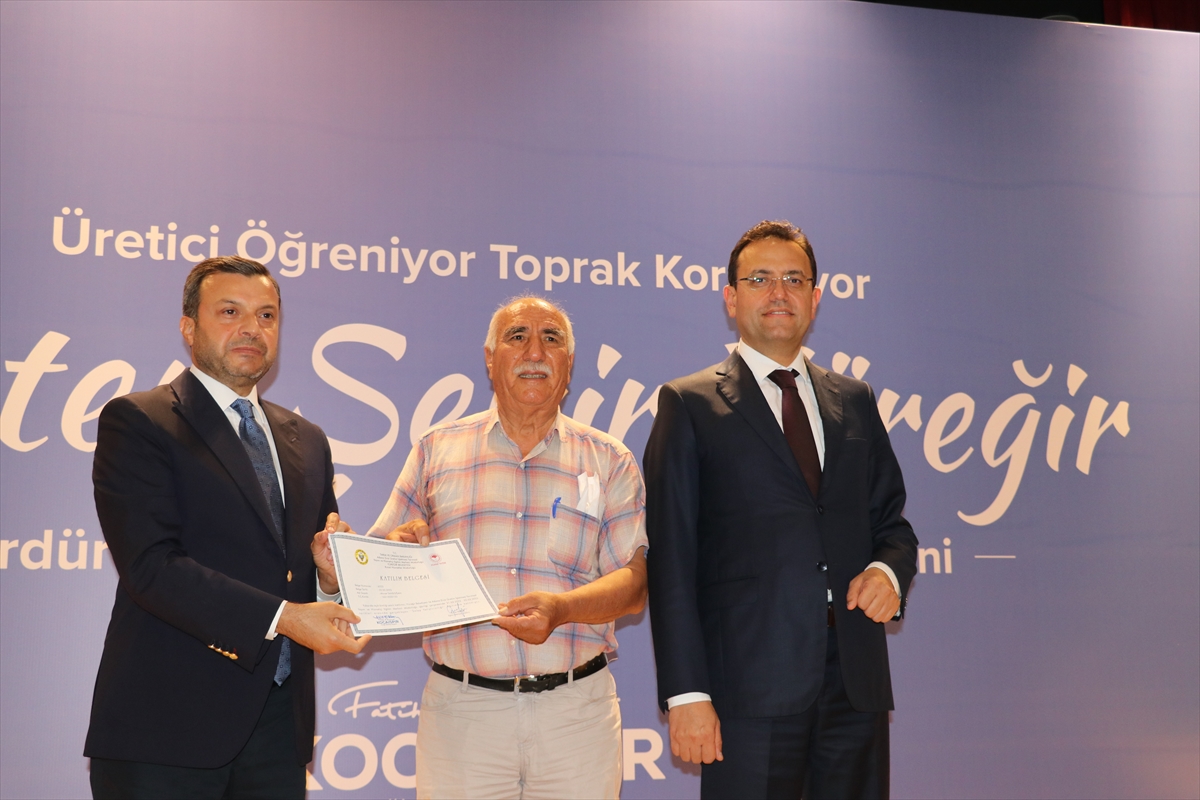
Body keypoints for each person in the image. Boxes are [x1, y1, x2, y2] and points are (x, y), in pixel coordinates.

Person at [644, 221, 918, 799]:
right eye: (760, 279)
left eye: (794, 280)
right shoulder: (688, 404)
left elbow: (892, 527)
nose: (778, 292)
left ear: (815, 298)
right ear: (731, 297)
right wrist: (687, 694)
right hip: (747, 688)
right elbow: (671, 562)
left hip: (854, 684)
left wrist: (887, 572)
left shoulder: (856, 400)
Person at [85, 256, 370, 799]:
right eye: (230, 312)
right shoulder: (140, 420)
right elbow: (151, 567)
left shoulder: (307, 439)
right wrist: (286, 617)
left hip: (279, 730)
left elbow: (302, 571)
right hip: (165, 730)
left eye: (267, 315)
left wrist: (330, 579)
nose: (252, 328)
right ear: (189, 327)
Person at [370, 295, 649, 800]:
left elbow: (633, 586)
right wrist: (397, 552)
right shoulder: (436, 449)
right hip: (463, 713)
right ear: (489, 358)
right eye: (517, 337)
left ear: (569, 362)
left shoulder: (610, 459)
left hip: (576, 714)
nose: (534, 352)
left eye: (551, 339)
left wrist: (562, 609)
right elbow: (383, 559)